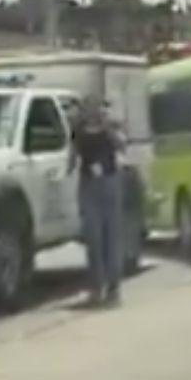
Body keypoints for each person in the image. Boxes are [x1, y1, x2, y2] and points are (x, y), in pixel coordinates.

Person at [69, 95, 126, 307]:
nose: (91, 112)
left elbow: (121, 146)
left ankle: (113, 288)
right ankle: (96, 287)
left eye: (94, 108)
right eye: (87, 108)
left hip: (109, 182)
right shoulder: (78, 131)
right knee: (93, 238)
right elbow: (73, 155)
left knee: (111, 235)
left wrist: (108, 128)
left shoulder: (109, 128)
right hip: (88, 184)